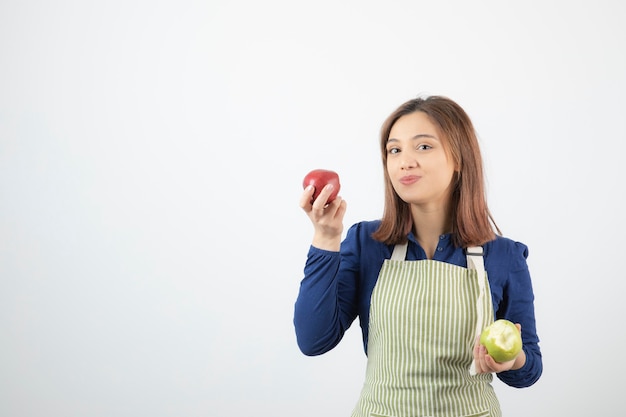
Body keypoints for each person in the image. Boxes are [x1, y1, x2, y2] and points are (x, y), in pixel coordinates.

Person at [294, 95, 542, 417]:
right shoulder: (366, 243)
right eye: (394, 150)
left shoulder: (504, 256)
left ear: (460, 158)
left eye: (423, 147)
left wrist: (512, 360)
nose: (404, 161)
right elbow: (314, 340)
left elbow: (529, 368)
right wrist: (326, 238)